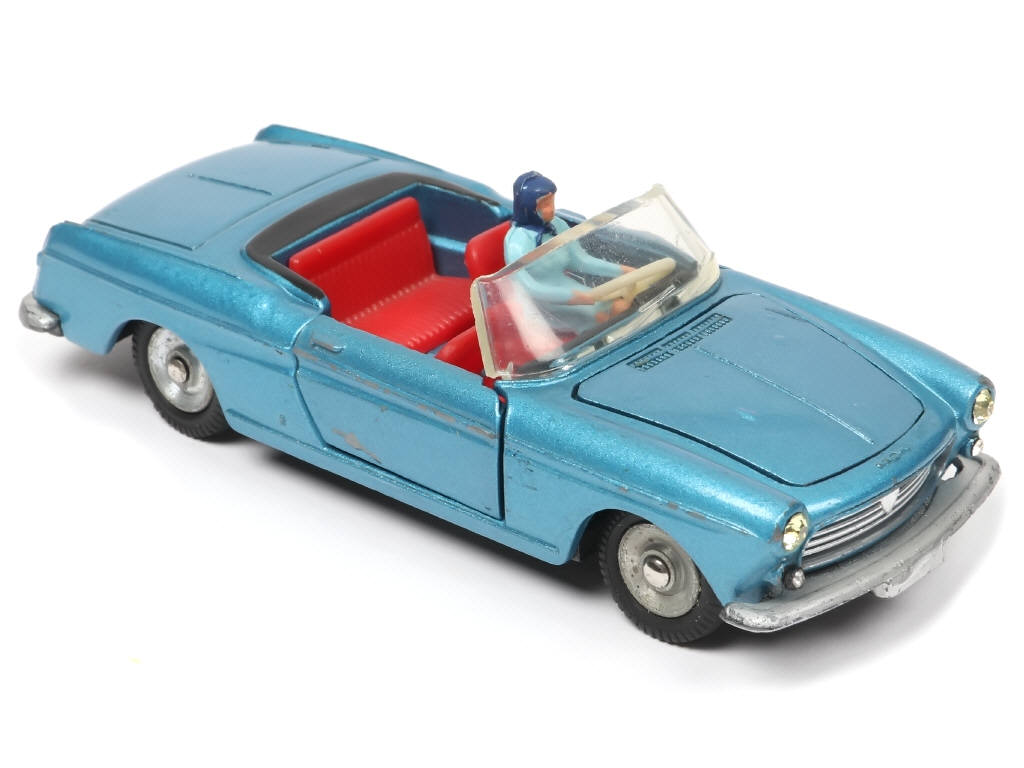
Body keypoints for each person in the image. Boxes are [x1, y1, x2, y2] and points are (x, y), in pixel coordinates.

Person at [503, 172, 632, 322]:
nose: (551, 209)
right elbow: (529, 287)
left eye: (552, 201)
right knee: (601, 317)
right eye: (544, 204)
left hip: (570, 288)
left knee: (619, 307)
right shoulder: (516, 243)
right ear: (528, 207)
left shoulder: (558, 224)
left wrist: (621, 271)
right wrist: (569, 297)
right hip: (541, 302)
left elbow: (581, 260)